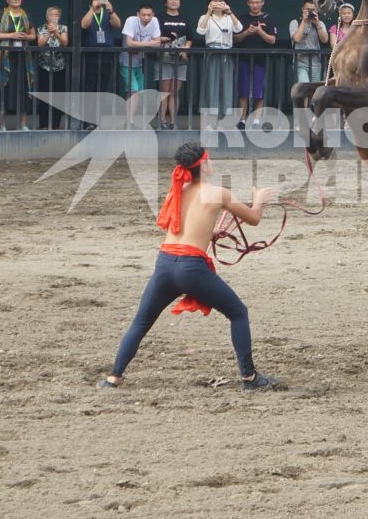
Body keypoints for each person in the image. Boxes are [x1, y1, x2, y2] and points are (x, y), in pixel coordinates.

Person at [97, 144, 280, 392]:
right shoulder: (219, 193)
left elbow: (182, 225)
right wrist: (259, 201)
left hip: (164, 263)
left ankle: (113, 378)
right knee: (238, 313)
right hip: (191, 268)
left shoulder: (179, 189)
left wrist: (210, 232)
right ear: (203, 164)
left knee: (141, 323)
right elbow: (254, 219)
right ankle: (249, 378)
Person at [0, 0, 36, 131]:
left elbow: (33, 35)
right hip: (5, 57)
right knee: (3, 88)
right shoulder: (0, 14)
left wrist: (24, 37)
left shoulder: (25, 14)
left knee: (23, 90)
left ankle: (23, 125)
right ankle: (1, 124)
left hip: (22, 57)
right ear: (7, 0)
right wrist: (12, 35)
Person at [235, 0, 279, 127]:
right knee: (243, 90)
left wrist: (260, 31)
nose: (255, 5)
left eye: (257, 2)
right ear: (248, 3)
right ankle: (242, 119)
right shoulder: (241, 19)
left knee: (259, 91)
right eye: (252, 2)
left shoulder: (269, 19)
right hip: (244, 58)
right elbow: (234, 39)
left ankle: (256, 120)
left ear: (262, 2)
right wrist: (246, 33)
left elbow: (272, 40)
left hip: (261, 60)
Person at [196, 0, 241, 122]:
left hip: (226, 52)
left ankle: (225, 120)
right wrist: (208, 12)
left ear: (225, 3)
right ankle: (209, 120)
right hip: (212, 52)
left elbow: (239, 28)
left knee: (227, 85)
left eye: (220, 0)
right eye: (214, 0)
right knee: (211, 85)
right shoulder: (205, 17)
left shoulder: (228, 18)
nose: (217, 3)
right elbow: (200, 31)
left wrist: (230, 12)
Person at [122, 3, 162, 127]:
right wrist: (150, 43)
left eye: (149, 15)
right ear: (138, 14)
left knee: (136, 92)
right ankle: (130, 120)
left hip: (139, 62)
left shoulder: (154, 21)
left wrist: (138, 44)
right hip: (126, 61)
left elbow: (158, 43)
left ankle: (130, 118)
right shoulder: (131, 20)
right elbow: (129, 43)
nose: (146, 17)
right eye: (143, 14)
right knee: (133, 91)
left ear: (153, 15)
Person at [153, 0, 189, 129]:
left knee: (174, 92)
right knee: (164, 91)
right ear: (165, 2)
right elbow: (154, 36)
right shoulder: (159, 18)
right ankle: (162, 121)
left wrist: (186, 49)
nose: (174, 1)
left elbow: (190, 37)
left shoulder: (184, 18)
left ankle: (174, 122)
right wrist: (165, 39)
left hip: (180, 59)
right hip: (164, 57)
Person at [80, 0, 122, 98]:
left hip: (106, 53)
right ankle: (89, 113)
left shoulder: (107, 12)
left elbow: (117, 25)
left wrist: (111, 11)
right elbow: (84, 25)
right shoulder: (85, 11)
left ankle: (99, 113)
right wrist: (92, 9)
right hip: (90, 53)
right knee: (89, 85)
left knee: (103, 85)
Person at [35, 6, 71, 130]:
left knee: (58, 96)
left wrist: (56, 32)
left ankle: (55, 124)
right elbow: (40, 44)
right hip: (44, 66)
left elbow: (65, 42)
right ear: (47, 17)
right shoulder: (41, 28)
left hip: (59, 67)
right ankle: (44, 124)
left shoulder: (63, 28)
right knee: (44, 95)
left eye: (56, 15)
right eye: (51, 15)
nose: (54, 17)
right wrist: (49, 33)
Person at [290, 0, 329, 88]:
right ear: (302, 9)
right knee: (305, 87)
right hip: (300, 63)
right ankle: (305, 103)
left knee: (315, 91)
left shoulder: (320, 23)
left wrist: (317, 24)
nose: (310, 12)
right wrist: (304, 21)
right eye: (308, 9)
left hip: (316, 62)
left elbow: (325, 40)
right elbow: (297, 39)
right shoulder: (295, 22)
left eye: (313, 10)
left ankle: (310, 103)